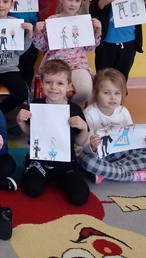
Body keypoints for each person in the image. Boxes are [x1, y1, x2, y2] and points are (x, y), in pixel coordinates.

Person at [17, 59, 90, 205]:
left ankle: (60, 175)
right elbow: (31, 134)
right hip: (41, 160)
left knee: (79, 198)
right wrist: (20, 121)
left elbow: (80, 142)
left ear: (69, 86)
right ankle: (37, 168)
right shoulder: (37, 105)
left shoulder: (74, 109)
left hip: (66, 162)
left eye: (60, 83)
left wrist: (84, 128)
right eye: (48, 82)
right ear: (41, 83)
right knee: (32, 190)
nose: (53, 87)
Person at [79, 68, 146, 184]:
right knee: (87, 161)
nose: (113, 97)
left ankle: (106, 172)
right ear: (95, 92)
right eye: (106, 93)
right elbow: (85, 146)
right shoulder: (89, 114)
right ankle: (134, 176)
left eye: (117, 93)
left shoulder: (123, 111)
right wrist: (93, 146)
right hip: (100, 156)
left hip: (120, 152)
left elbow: (133, 137)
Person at [33, 0, 102, 105]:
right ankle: (59, 108)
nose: (73, 4)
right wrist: (37, 33)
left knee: (85, 91)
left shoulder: (84, 21)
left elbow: (90, 47)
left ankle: (68, 108)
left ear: (82, 1)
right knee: (55, 92)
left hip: (78, 65)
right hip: (55, 65)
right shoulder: (52, 20)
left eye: (77, 1)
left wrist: (97, 33)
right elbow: (43, 47)